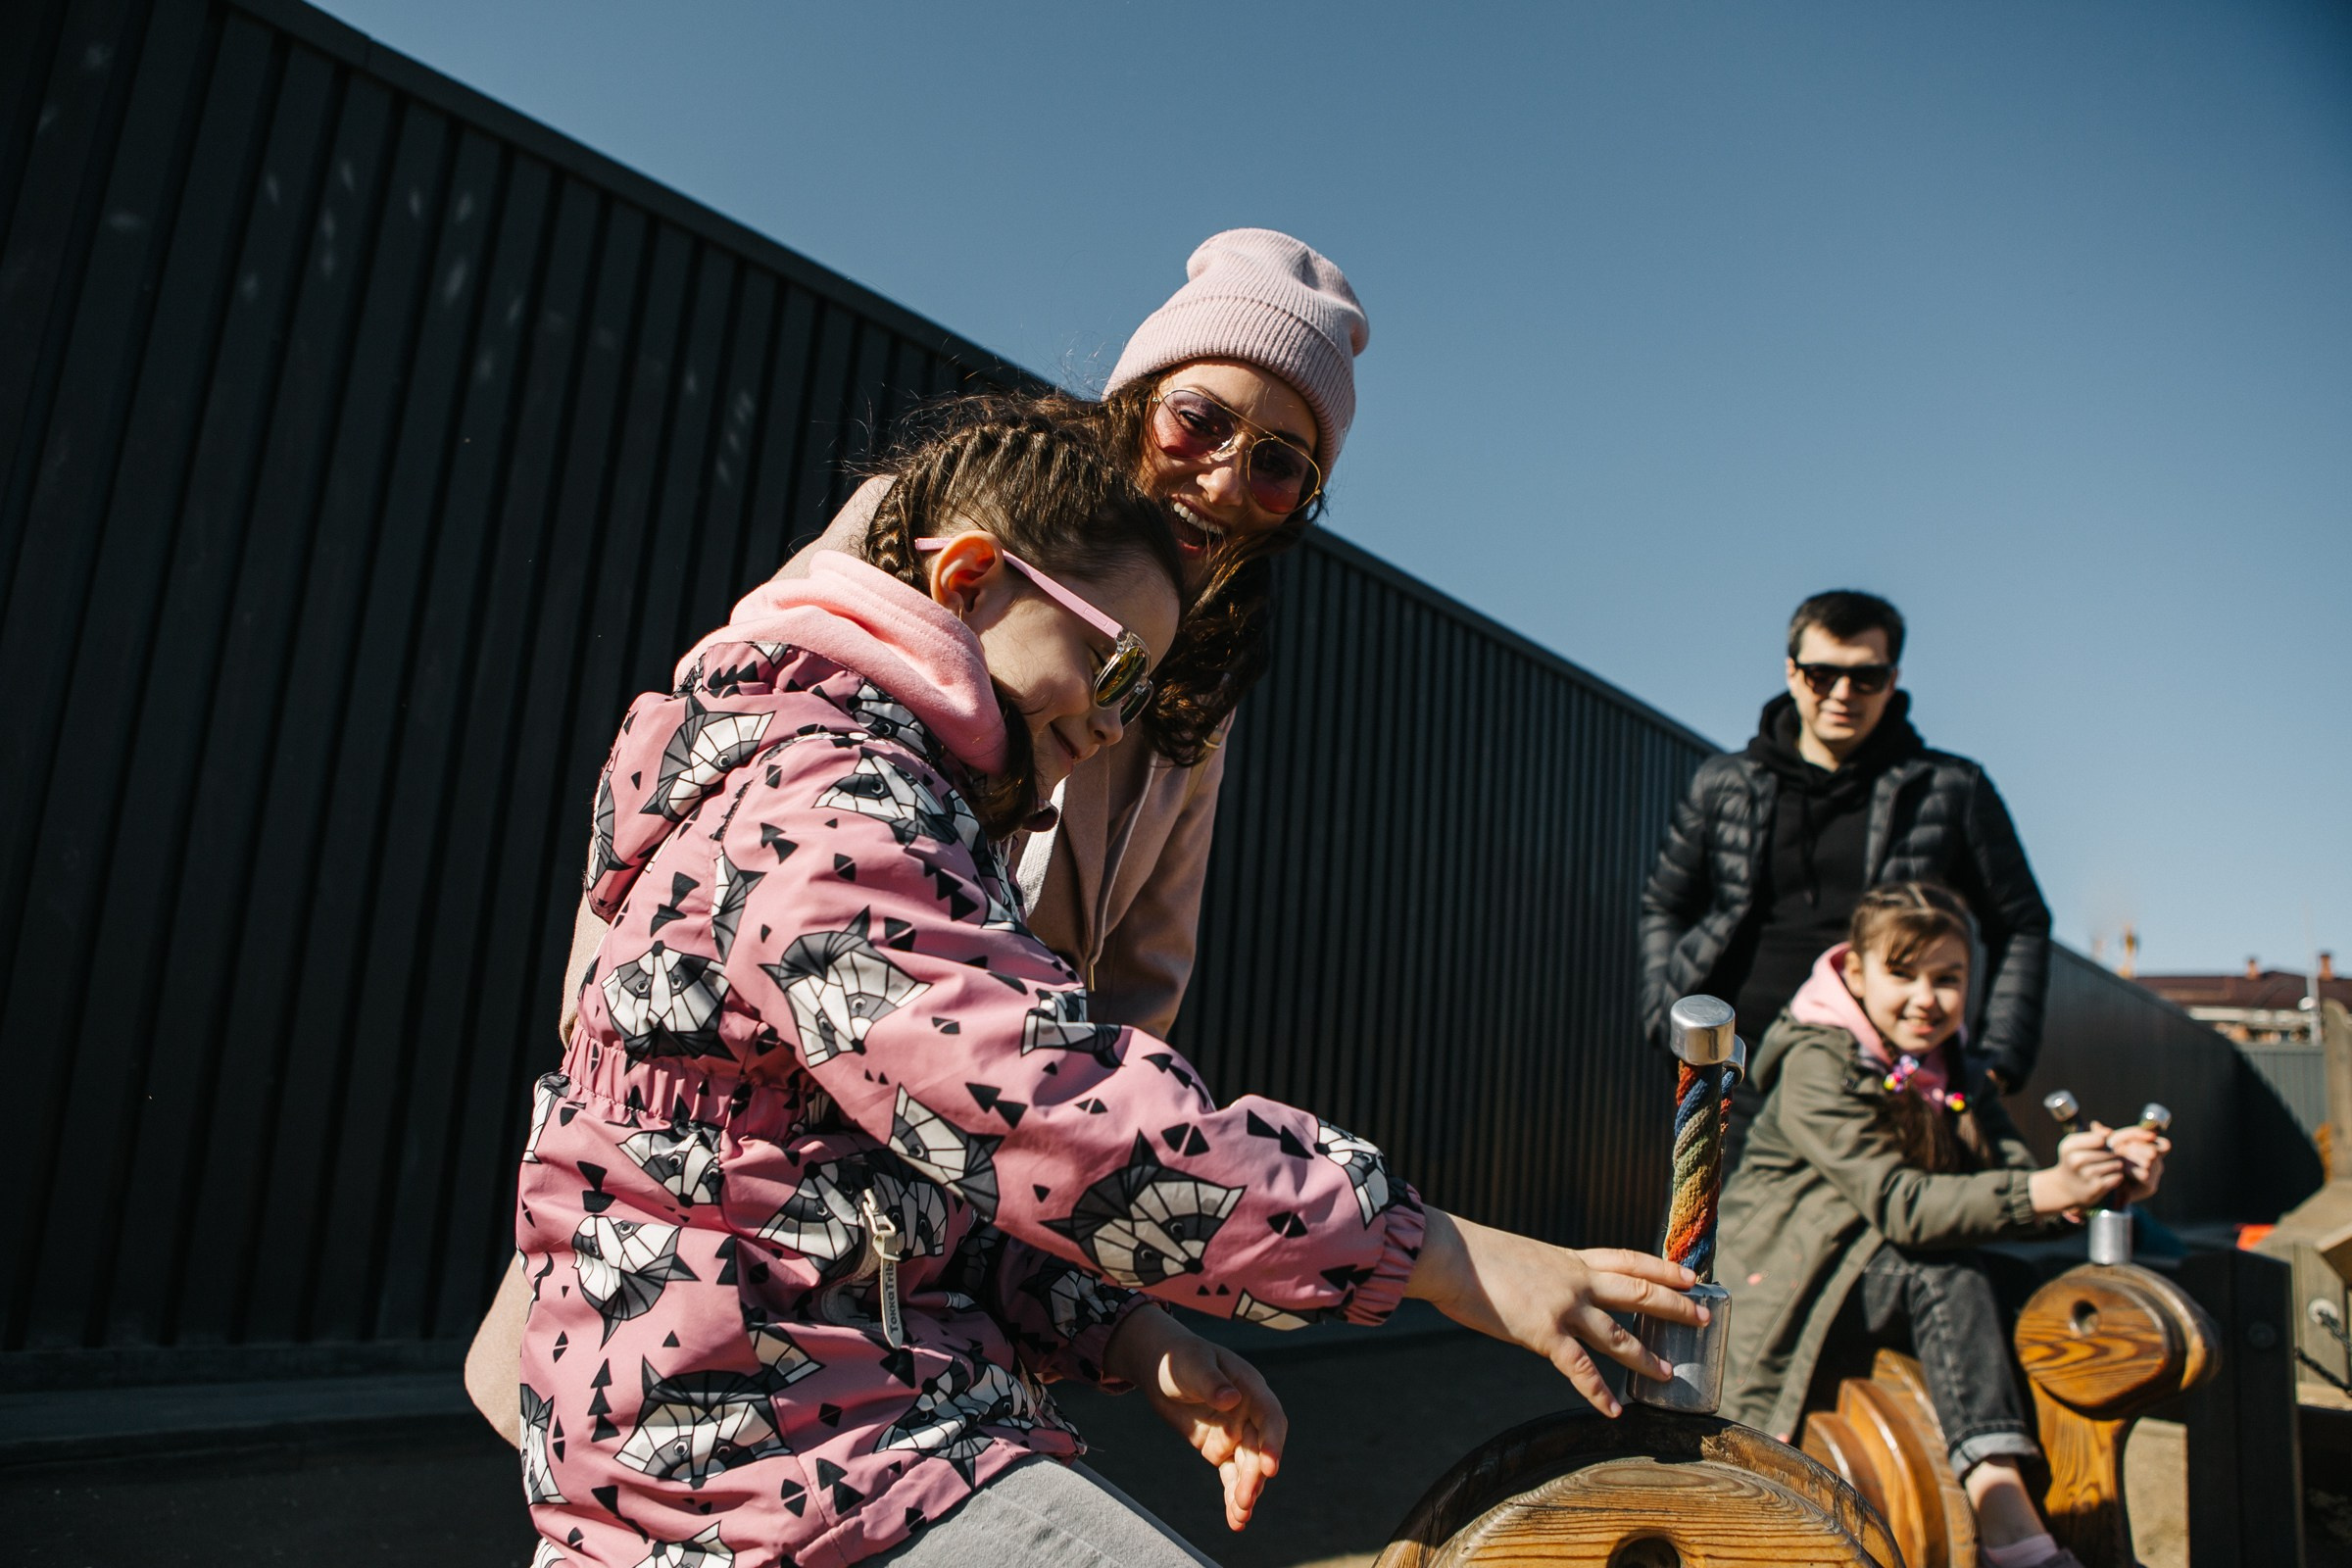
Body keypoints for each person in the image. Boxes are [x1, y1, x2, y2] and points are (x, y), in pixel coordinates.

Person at [516, 405, 1705, 1567]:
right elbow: (1048, 1104)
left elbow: (892, 1185)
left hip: (811, 1402)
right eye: (1108, 658)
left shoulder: (883, 788)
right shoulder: (830, 803)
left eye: (1145, 690)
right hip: (757, 1440)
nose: (1113, 718)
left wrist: (1130, 1334)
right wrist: (1439, 1252)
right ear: (970, 579)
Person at [468, 229, 1371, 1428]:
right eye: (1200, 421)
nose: (1222, 477)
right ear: (1137, 400)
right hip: (720, 1165)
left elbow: (1142, 976)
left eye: (1276, 467)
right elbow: (720, 775)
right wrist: (618, 1090)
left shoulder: (1197, 693)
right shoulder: (940, 520)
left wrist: (1079, 1221)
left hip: (949, 1209)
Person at [1716, 883, 2167, 1568]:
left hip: (1877, 1268)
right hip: (1796, 1283)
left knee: (2034, 1284)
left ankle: (2079, 1499)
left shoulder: (1957, 1071)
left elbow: (2011, 1190)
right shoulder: (1819, 1059)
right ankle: (2003, 1513)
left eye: (1948, 978)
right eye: (1903, 973)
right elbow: (1902, 1203)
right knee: (1946, 1273)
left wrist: (2091, 1181)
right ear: (1856, 972)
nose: (1927, 998)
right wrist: (2044, 1187)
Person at [1638, 589, 2053, 1156]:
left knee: (1884, 1239)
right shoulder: (1725, 782)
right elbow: (1665, 903)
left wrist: (1998, 1061)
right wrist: (1664, 1018)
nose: (1842, 694)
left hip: (1882, 1079)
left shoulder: (1951, 788)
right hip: (1737, 1070)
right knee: (1711, 1239)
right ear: (1791, 672)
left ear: (1893, 678)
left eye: (1866, 677)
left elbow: (2022, 922)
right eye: (1821, 674)